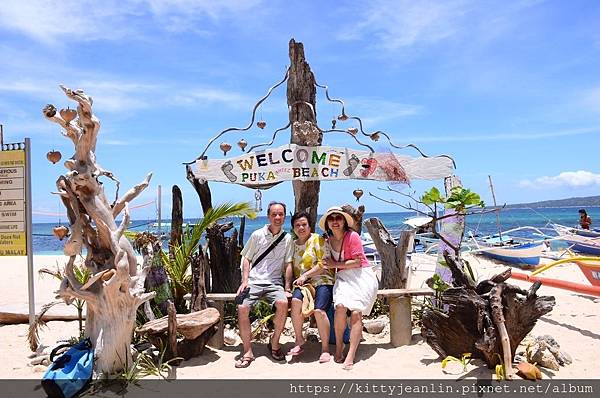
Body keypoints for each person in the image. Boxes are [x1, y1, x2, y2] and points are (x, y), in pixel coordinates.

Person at [234, 201, 294, 368]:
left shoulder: (287, 238)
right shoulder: (257, 235)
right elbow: (246, 258)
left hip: (274, 283)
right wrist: (245, 281)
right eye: (274, 214)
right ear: (268, 216)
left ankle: (274, 343)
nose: (277, 217)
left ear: (284, 216)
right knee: (242, 308)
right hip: (253, 281)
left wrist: (287, 288)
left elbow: (288, 264)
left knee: (283, 303)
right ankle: (247, 351)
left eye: (281, 214)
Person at [319, 206, 378, 370]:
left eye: (338, 218)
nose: (335, 221)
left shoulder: (352, 236)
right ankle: (339, 347)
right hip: (344, 277)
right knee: (339, 308)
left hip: (361, 276)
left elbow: (358, 261)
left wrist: (334, 264)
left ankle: (351, 353)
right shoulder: (327, 241)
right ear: (328, 223)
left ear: (344, 221)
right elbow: (324, 262)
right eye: (331, 218)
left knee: (356, 313)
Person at [288, 211, 335, 363]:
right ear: (293, 228)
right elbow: (288, 266)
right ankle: (299, 340)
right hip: (304, 284)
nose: (301, 228)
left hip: (322, 279)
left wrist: (305, 275)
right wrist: (287, 286)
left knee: (319, 311)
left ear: (309, 226)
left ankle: (325, 349)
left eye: (304, 224)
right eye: (297, 225)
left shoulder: (317, 240)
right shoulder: (293, 245)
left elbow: (323, 264)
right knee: (295, 302)